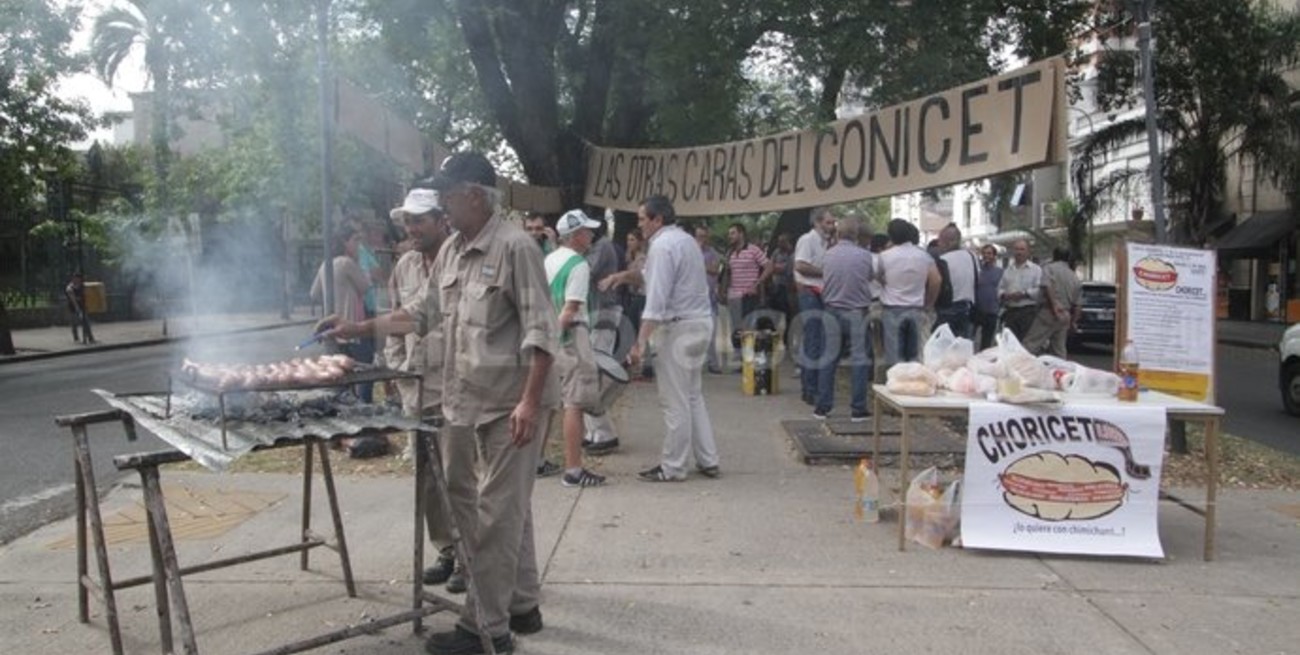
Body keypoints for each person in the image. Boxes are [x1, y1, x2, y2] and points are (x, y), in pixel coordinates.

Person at [322, 152, 555, 654]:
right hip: (472, 402)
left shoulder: (516, 248)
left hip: (515, 403)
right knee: (511, 508)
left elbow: (542, 332)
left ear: (475, 194)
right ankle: (522, 604)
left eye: (448, 196)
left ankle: (485, 630)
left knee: (495, 514)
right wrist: (358, 328)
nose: (443, 206)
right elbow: (421, 313)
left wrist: (531, 404)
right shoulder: (453, 251)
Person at [383, 185, 465, 594]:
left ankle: (470, 556)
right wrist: (397, 366)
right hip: (416, 389)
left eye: (420, 220)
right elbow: (396, 322)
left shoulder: (459, 260)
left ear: (441, 219)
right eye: (408, 221)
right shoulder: (405, 267)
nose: (413, 227)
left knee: (460, 476)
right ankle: (447, 549)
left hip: (455, 390)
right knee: (429, 480)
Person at [629, 195, 721, 482]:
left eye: (643, 219)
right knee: (693, 395)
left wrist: (640, 342)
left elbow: (656, 299)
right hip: (701, 322)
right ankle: (708, 459)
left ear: (658, 219)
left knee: (675, 400)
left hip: (678, 328)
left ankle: (673, 466)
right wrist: (622, 277)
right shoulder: (686, 241)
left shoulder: (661, 246)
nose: (639, 225)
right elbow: (650, 278)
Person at [544, 209, 608, 488]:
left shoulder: (549, 260)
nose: (591, 235)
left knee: (547, 403)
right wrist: (559, 339)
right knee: (574, 403)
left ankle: (536, 460)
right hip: (570, 337)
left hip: (547, 334)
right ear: (576, 235)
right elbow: (570, 311)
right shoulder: (578, 265)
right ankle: (573, 470)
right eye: (587, 231)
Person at [814, 217, 875, 422]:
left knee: (828, 360)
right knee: (859, 361)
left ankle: (822, 407)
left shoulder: (827, 256)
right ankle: (858, 409)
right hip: (857, 312)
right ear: (857, 236)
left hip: (831, 310)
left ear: (838, 234)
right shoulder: (866, 256)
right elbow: (870, 278)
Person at [310, 224, 372, 392]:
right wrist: (361, 265)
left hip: (331, 329)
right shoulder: (346, 262)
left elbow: (313, 293)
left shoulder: (326, 264)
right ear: (345, 242)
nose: (359, 245)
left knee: (339, 378)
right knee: (362, 375)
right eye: (355, 240)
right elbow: (365, 286)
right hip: (351, 329)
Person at [582, 223, 625, 454]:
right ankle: (594, 432)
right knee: (588, 373)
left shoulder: (602, 246)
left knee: (595, 375)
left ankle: (605, 433)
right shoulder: (597, 246)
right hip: (595, 315)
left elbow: (585, 270)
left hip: (603, 315)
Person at [877, 219, 941, 366]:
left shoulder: (885, 256)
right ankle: (913, 385)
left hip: (892, 309)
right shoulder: (923, 256)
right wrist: (929, 303)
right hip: (916, 309)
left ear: (891, 236)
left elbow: (878, 276)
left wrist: (887, 284)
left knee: (894, 357)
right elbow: (936, 280)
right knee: (914, 355)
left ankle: (896, 385)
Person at [793, 206, 835, 405]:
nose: (832, 225)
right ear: (817, 223)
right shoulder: (807, 240)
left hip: (820, 292)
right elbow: (800, 265)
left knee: (818, 340)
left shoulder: (826, 242)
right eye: (828, 222)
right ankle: (809, 388)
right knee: (813, 340)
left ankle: (814, 385)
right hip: (810, 292)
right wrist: (826, 272)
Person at [1023, 247, 1082, 358]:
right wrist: (1073, 322)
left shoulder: (1049, 268)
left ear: (1054, 256)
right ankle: (1060, 372)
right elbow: (1078, 304)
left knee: (1030, 345)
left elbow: (1047, 286)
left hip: (1049, 311)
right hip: (1065, 315)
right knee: (1059, 350)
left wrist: (1054, 305)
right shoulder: (1074, 276)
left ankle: (1021, 370)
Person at [724, 222, 775, 347]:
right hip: (735, 297)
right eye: (729, 234)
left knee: (748, 329)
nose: (730, 236)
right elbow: (728, 274)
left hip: (749, 296)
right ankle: (741, 359)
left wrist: (757, 283)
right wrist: (724, 291)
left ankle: (749, 360)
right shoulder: (730, 253)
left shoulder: (753, 250)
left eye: (733, 233)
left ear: (741, 234)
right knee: (736, 330)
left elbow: (769, 266)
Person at [935, 223, 979, 339]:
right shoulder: (972, 257)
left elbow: (937, 284)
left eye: (940, 240)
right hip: (968, 309)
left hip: (947, 309)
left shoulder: (943, 260)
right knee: (964, 348)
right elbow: (977, 280)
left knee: (944, 348)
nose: (938, 244)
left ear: (948, 242)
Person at [694, 224, 725, 373]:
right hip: (693, 300)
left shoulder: (713, 253)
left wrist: (700, 263)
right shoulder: (689, 252)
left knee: (711, 332)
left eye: (704, 236)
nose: (701, 239)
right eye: (699, 236)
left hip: (710, 299)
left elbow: (715, 270)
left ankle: (713, 363)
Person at [997, 239, 1042, 341]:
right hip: (1010, 312)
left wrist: (1024, 294)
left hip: (1027, 312)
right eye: (1017, 249)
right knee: (1011, 343)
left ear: (1028, 252)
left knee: (1027, 343)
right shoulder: (1008, 270)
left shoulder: (1036, 270)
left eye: (1022, 249)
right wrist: (1005, 295)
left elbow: (1040, 290)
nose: (1019, 252)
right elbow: (999, 289)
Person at [973, 244, 1004, 350]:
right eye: (984, 253)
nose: (986, 256)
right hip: (976, 310)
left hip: (992, 311)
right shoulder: (977, 271)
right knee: (970, 339)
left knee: (986, 342)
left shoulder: (1000, 272)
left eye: (989, 253)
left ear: (994, 256)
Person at [65, 271, 95, 344]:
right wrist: (77, 308)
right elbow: (73, 299)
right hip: (73, 308)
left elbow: (86, 296)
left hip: (82, 307)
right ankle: (76, 338)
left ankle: (90, 337)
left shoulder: (82, 286)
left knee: (86, 322)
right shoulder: (70, 287)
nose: (77, 280)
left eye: (78, 278)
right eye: (75, 278)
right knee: (74, 324)